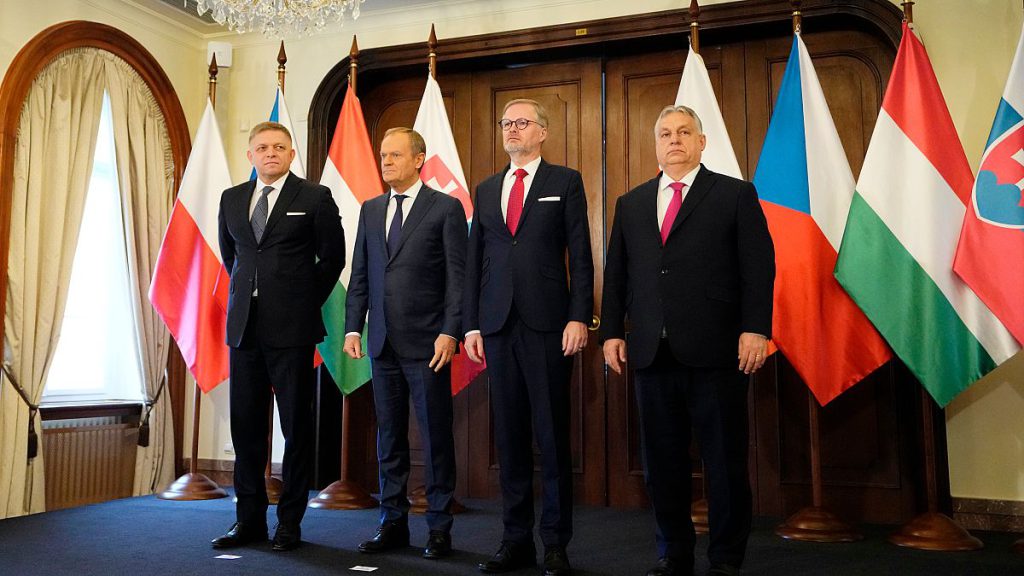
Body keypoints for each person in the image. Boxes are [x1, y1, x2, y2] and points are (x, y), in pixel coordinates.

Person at [601, 105, 774, 576]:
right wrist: (613, 331)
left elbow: (758, 268)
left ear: (702, 142)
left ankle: (724, 558)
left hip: (717, 351)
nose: (674, 140)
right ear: (655, 144)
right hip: (651, 353)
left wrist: (756, 328)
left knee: (723, 462)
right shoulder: (631, 203)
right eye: (665, 133)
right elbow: (617, 274)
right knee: (662, 465)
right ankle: (673, 553)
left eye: (684, 132)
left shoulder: (735, 194)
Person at [464, 99, 594, 576]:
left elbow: (580, 256)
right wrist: (472, 323)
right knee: (510, 437)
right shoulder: (486, 187)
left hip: (548, 326)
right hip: (497, 327)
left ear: (542, 132)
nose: (512, 130)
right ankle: (514, 540)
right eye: (506, 123)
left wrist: (580, 316)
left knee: (551, 436)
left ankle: (555, 543)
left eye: (522, 123)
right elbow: (476, 260)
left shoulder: (565, 182)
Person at [213, 121, 345, 552]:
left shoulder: (314, 197)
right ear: (250, 155)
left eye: (279, 147)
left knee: (296, 428)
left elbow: (333, 258)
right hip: (244, 330)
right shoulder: (232, 199)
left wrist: (303, 302)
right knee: (246, 429)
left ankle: (290, 522)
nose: (271, 153)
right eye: (262, 147)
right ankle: (248, 520)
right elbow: (232, 256)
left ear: (291, 155)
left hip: (292, 330)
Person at [343, 127, 467, 560]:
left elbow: (458, 278)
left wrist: (450, 332)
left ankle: (438, 527)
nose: (386, 162)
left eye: (395, 155)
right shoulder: (370, 209)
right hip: (382, 345)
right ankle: (391, 522)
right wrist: (353, 328)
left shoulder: (445, 208)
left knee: (434, 438)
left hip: (429, 344)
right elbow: (361, 275)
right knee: (389, 438)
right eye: (382, 156)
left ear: (419, 159)